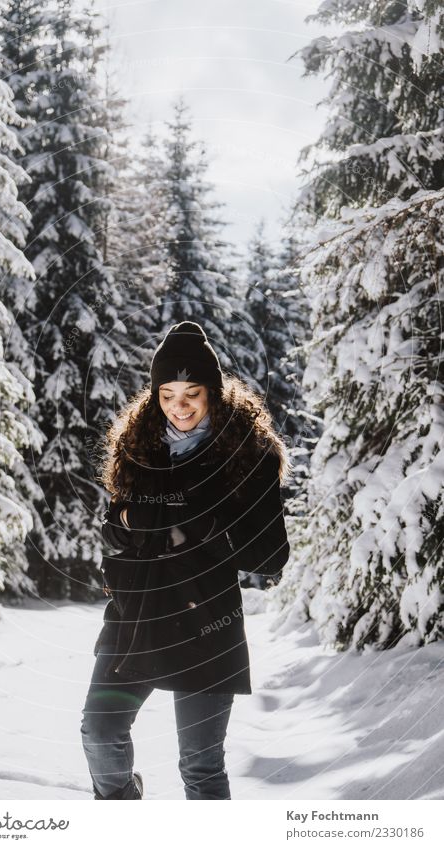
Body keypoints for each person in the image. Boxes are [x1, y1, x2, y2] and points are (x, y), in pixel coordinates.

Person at [80, 321, 292, 800]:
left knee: (199, 767)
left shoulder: (247, 456)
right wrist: (138, 521)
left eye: (192, 393)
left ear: (213, 393)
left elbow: (271, 554)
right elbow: (116, 525)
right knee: (99, 733)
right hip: (135, 617)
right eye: (167, 394)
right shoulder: (140, 449)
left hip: (207, 624)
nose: (179, 406)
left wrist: (198, 526)